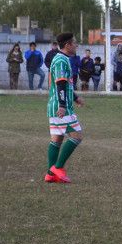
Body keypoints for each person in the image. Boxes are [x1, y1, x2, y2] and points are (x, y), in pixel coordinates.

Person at [45, 33, 84, 184]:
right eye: (74, 43)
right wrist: (62, 105)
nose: (76, 45)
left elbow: (63, 83)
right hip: (61, 106)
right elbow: (60, 83)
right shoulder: (61, 60)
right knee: (77, 136)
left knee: (57, 139)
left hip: (54, 105)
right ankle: (58, 168)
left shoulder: (59, 58)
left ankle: (50, 174)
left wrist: (75, 97)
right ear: (67, 45)